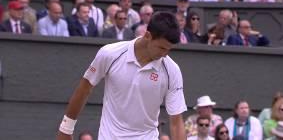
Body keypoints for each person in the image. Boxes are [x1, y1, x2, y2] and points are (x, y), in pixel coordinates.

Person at [57, 11, 187, 140]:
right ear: (148, 36)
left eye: (169, 49)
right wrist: (66, 128)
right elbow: (85, 88)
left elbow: (176, 122)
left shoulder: (172, 71)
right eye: (162, 48)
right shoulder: (110, 54)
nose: (165, 54)